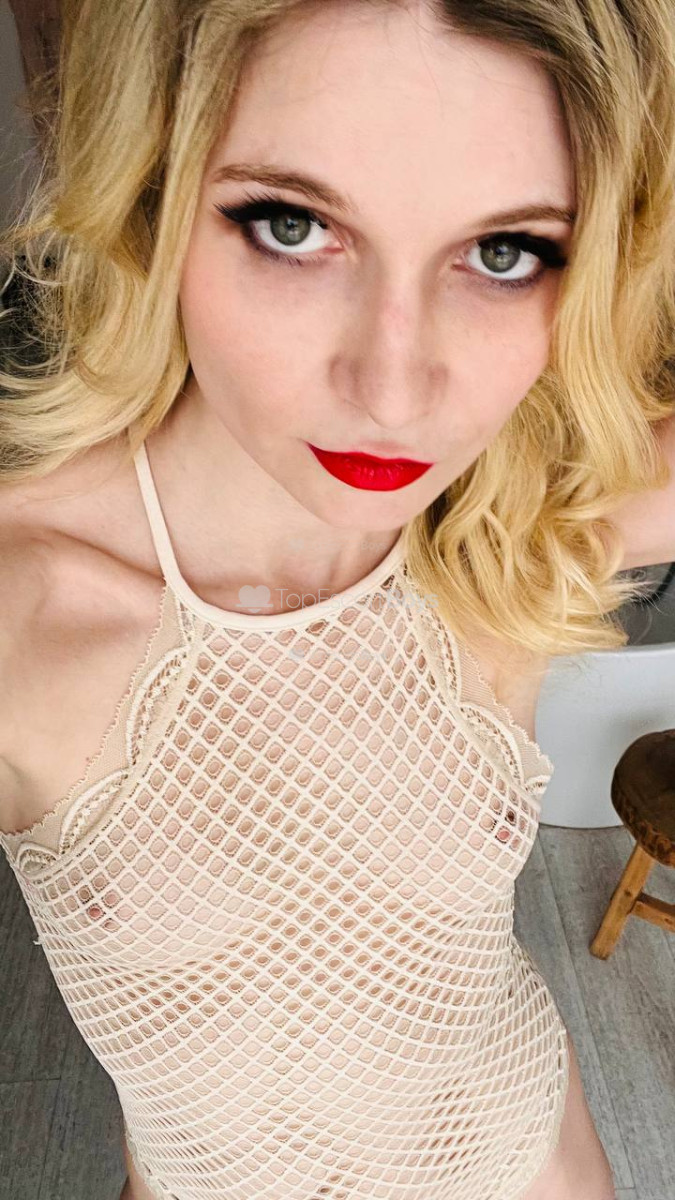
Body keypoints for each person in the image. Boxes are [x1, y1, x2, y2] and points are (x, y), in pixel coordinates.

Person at [1, 1, 674, 1198]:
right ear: (149, 200)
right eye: (292, 224)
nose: (394, 391)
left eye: (506, 250)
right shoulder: (27, 601)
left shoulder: (504, 541)